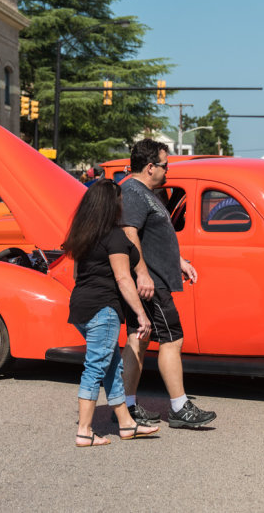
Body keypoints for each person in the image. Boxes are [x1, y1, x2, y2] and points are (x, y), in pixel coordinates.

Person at [120, 138, 217, 429]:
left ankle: (127, 406)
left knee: (139, 338)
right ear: (150, 167)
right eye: (165, 165)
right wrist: (143, 274)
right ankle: (179, 407)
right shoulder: (133, 192)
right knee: (171, 339)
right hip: (152, 283)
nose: (167, 170)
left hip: (157, 277)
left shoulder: (147, 192)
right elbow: (128, 233)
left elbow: (154, 239)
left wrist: (179, 261)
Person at [63, 179, 159, 446]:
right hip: (103, 309)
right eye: (119, 200)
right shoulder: (114, 236)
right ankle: (84, 431)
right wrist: (141, 314)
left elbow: (76, 275)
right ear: (112, 204)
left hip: (81, 307)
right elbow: (123, 279)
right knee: (95, 367)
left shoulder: (83, 234)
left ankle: (127, 424)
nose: (122, 204)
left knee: (113, 365)